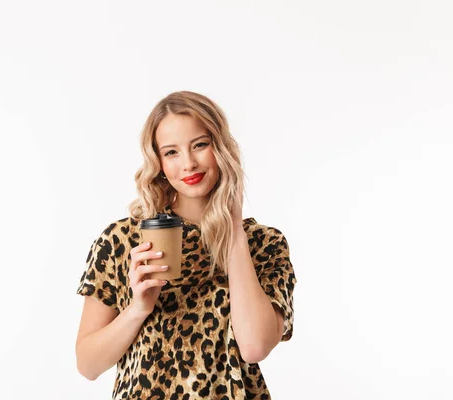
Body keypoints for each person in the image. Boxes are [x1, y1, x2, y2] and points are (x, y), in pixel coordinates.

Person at [75, 91, 297, 399]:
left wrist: (232, 229)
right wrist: (138, 309)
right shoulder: (122, 240)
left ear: (221, 148)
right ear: (159, 162)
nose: (189, 164)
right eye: (171, 152)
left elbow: (255, 346)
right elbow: (88, 365)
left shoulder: (263, 244)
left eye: (200, 145)